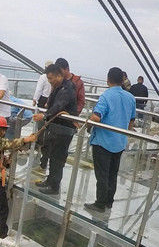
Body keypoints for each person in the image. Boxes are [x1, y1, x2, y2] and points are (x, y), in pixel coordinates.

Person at [84, 67, 136, 216]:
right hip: (119, 142)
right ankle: (108, 201)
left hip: (103, 141)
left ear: (108, 80)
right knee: (113, 173)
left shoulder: (106, 95)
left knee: (102, 174)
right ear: (122, 80)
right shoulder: (130, 97)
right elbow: (131, 120)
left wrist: (87, 126)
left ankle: (100, 203)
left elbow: (96, 117)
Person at [0, 115, 36, 245]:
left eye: (4, 129)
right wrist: (26, 139)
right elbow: (8, 144)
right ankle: (3, 236)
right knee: (3, 207)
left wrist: (6, 161)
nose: (4, 131)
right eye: (2, 129)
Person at [31, 63, 77, 195]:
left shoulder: (67, 88)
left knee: (58, 157)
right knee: (52, 154)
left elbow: (59, 106)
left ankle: (54, 186)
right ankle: (50, 180)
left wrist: (45, 115)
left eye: (51, 78)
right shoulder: (58, 87)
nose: (50, 81)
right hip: (55, 127)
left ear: (59, 76)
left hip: (64, 129)